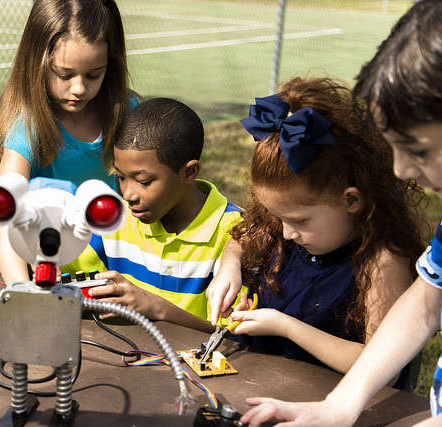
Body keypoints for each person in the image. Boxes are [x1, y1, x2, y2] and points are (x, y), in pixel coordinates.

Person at [234, 1, 442, 425]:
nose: (401, 170)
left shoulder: (379, 257)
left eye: (417, 150)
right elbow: (426, 301)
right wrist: (339, 406)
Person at [204, 77, 425, 375]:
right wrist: (229, 267)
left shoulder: (382, 263)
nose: (286, 233)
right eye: (278, 217)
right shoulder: (287, 228)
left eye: (299, 221)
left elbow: (383, 364)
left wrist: (284, 326)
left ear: (352, 201)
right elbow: (241, 242)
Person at [0, 0, 139, 284]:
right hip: (52, 272)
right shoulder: (28, 127)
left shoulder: (127, 112)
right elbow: (4, 222)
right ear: (37, 63)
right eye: (64, 74)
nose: (79, 88)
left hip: (123, 268)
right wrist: (22, 291)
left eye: (94, 74)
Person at [62, 97, 244, 332]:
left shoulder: (236, 233)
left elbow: (234, 338)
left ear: (189, 172)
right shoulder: (115, 218)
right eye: (120, 177)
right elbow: (65, 278)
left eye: (144, 181)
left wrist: (159, 309)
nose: (128, 194)